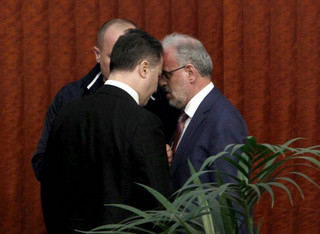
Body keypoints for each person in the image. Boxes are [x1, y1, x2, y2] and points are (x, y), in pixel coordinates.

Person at [41, 28, 171, 233]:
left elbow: (50, 188)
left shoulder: (68, 113)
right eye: (158, 75)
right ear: (144, 68)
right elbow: (160, 208)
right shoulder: (145, 123)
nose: (157, 88)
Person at [32, 18, 179, 181]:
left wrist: (164, 155)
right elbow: (42, 165)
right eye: (114, 56)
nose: (123, 63)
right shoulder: (70, 98)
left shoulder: (160, 97)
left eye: (130, 55)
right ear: (97, 55)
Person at [159, 33, 248, 192]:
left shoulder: (224, 120)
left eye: (166, 74)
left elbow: (229, 198)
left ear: (190, 73)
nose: (162, 83)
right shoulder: (184, 115)